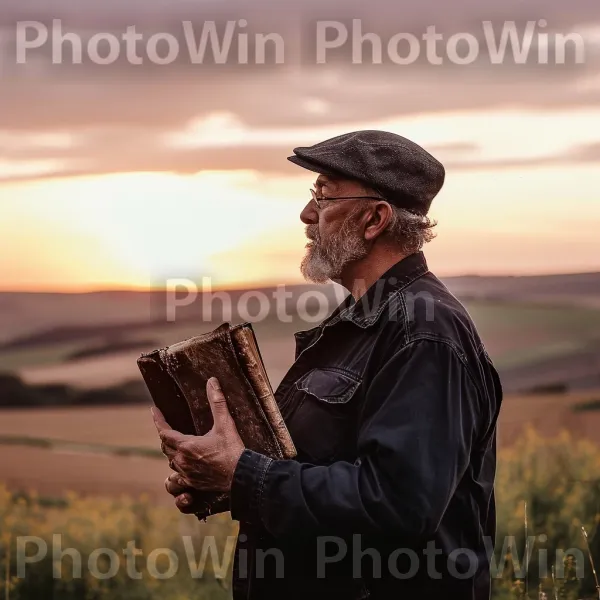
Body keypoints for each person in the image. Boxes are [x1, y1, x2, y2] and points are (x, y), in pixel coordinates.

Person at [153, 130, 503, 599]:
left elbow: (397, 506)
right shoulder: (359, 321)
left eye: (324, 195)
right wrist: (217, 478)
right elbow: (322, 468)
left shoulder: (425, 333)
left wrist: (242, 474)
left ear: (374, 219)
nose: (307, 214)